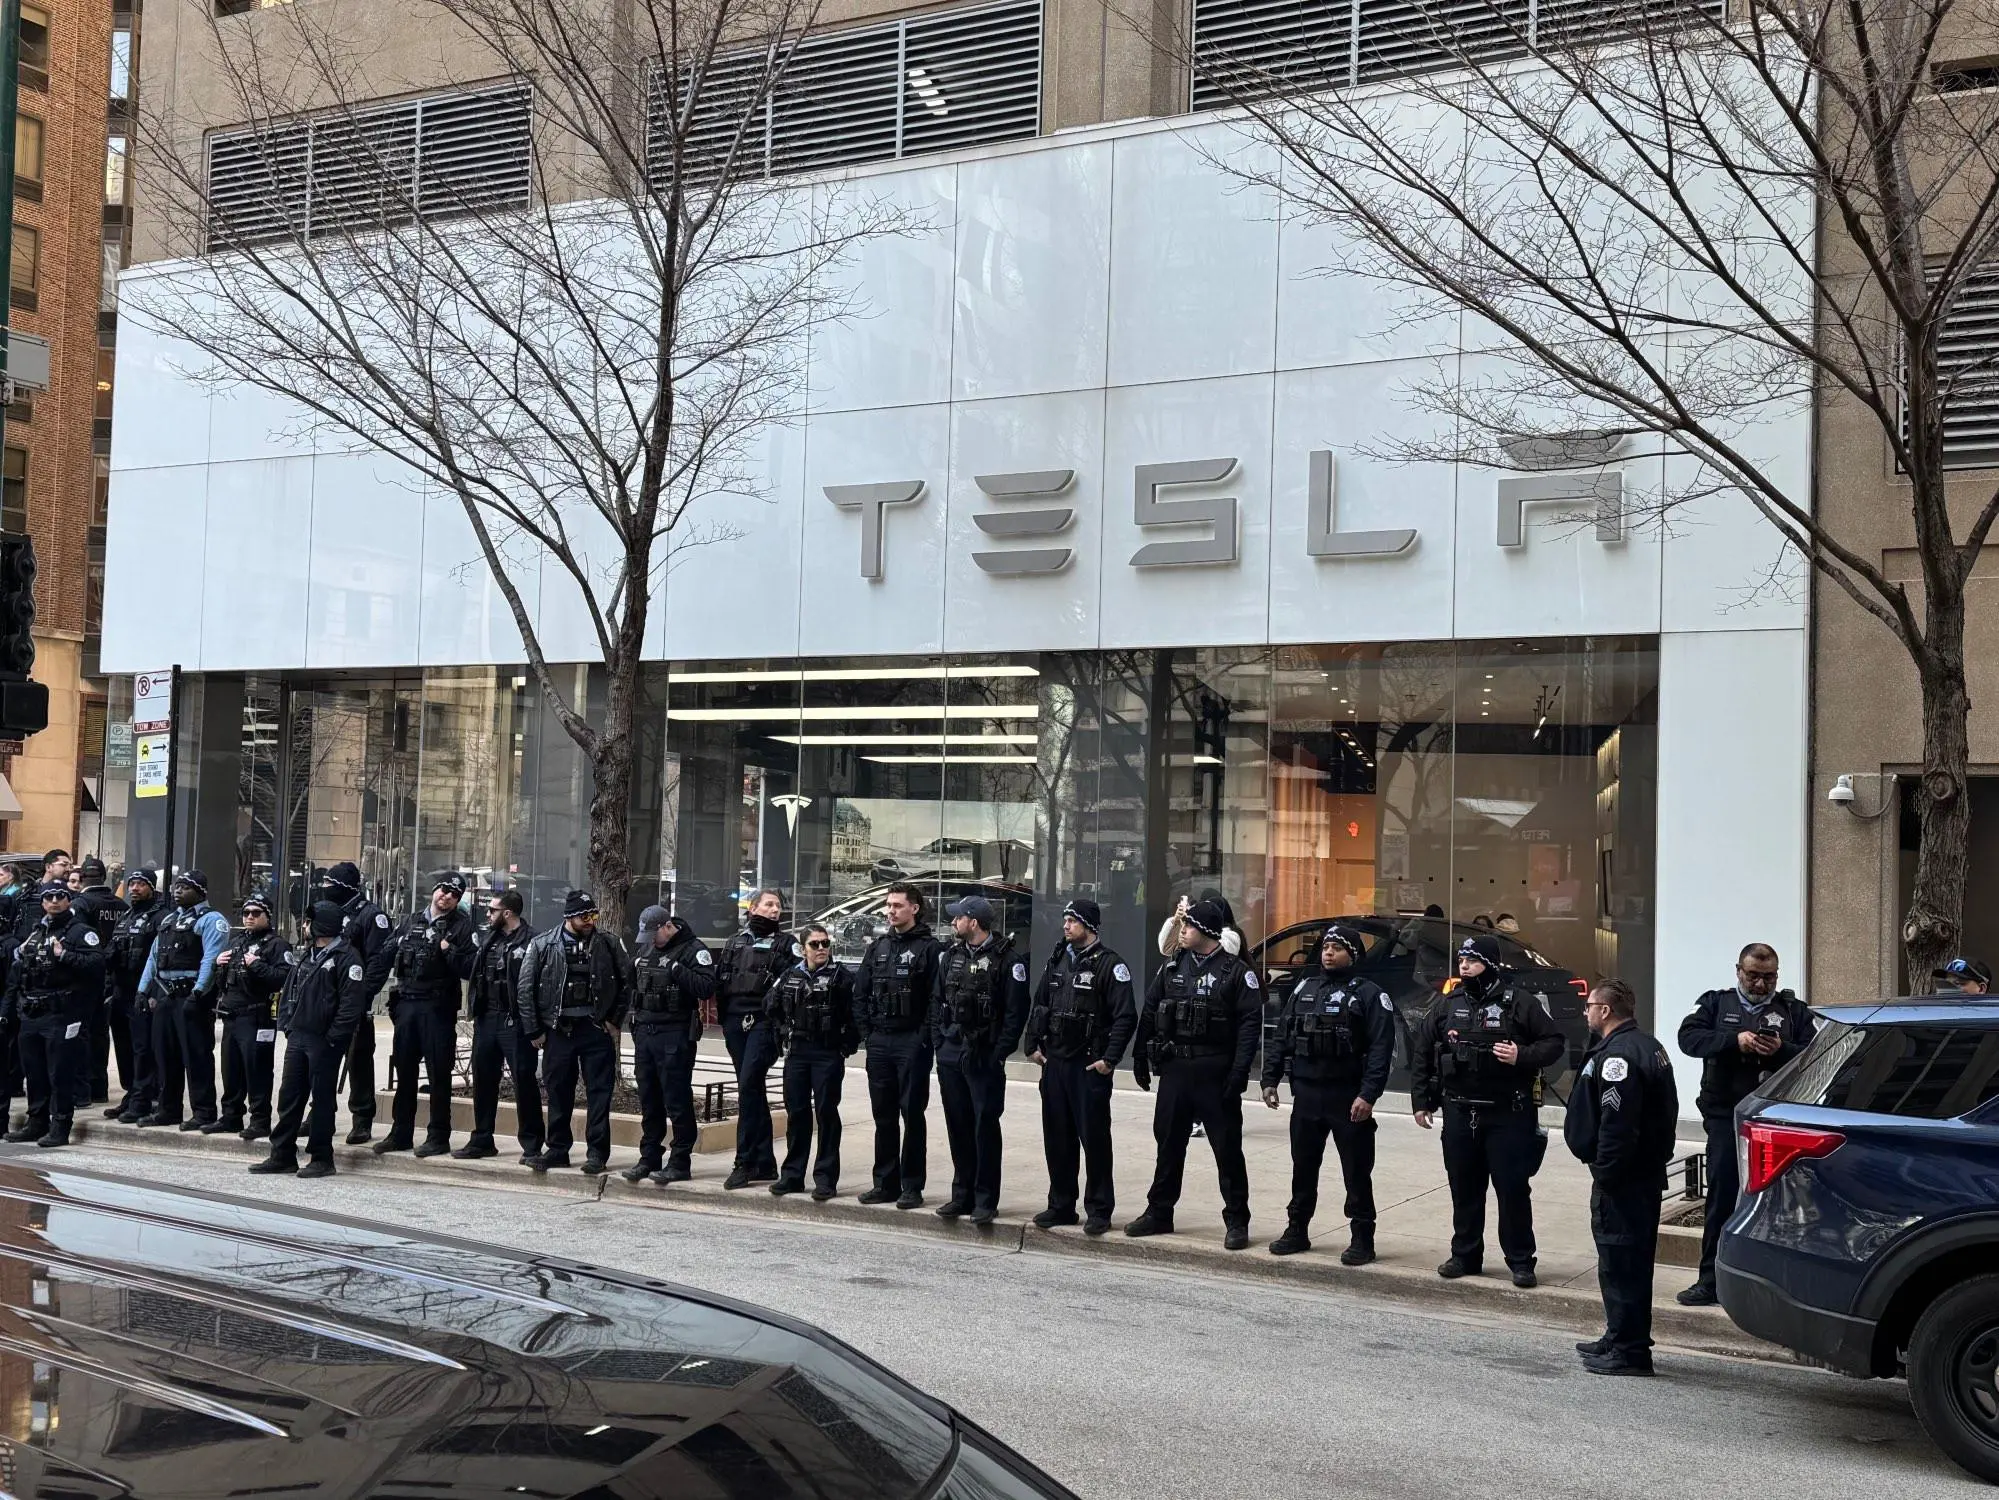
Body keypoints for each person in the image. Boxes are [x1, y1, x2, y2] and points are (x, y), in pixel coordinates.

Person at [1410, 933, 1566, 1286]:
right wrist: (1422, 1100)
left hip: (1507, 1113)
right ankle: (1465, 1255)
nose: (1464, 966)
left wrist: (1521, 1055)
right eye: (1462, 960)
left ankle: (1521, 1261)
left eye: (1472, 960)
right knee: (1464, 1189)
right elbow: (1424, 1049)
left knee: (1512, 1190)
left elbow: (1554, 1042)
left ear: (1491, 964)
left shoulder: (1518, 1003)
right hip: (1460, 1111)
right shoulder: (1449, 1004)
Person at [1675, 942, 1814, 1306]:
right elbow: (1688, 1039)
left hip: (1777, 1121)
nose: (1760, 984)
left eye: (1768, 977)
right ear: (1738, 971)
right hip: (1726, 1119)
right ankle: (1710, 1280)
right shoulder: (1715, 1004)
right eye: (1753, 976)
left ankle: (1773, 1286)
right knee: (1722, 1197)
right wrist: (1734, 1041)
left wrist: (1781, 1050)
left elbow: (1817, 1054)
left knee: (1779, 1204)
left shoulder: (1792, 1010)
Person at [1127, 898, 1262, 1249]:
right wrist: (1140, 1055)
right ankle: (1159, 1211)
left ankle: (1236, 1220)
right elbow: (1151, 1008)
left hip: (1215, 1071)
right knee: (1168, 1144)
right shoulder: (1173, 966)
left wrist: (1239, 1073)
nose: (1181, 931)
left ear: (1205, 931)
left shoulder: (1235, 972)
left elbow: (1250, 1026)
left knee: (1227, 1149)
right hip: (1176, 1069)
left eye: (1187, 926)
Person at [1261, 925, 1396, 1262]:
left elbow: (1381, 1049)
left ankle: (1362, 1236)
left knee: (1356, 1170)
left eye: (1337, 947)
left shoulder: (1369, 994)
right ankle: (1297, 1228)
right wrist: (1270, 1078)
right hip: (1306, 1094)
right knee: (1303, 1167)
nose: (1328, 952)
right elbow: (1283, 1035)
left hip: (1348, 1097)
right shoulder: (1305, 988)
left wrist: (1368, 1094)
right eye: (1325, 947)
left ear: (1353, 953)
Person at [1567, 978, 1679, 1375]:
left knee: (1623, 1262)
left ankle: (1630, 1351)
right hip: (1637, 1176)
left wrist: (1607, 1172)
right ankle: (1618, 1335)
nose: (1586, 1011)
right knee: (1620, 1262)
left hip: (1626, 1180)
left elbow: (1618, 1124)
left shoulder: (1620, 1057)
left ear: (1605, 1011)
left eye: (1590, 1005)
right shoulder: (1645, 1045)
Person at [1026, 898, 1137, 1236]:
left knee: (1095, 1140)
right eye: (1065, 920)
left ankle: (1099, 1209)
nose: (1066, 926)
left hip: (1088, 1066)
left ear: (1089, 925)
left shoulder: (1109, 965)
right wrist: (1031, 1044)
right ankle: (1061, 1205)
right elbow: (1040, 1002)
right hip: (1056, 1063)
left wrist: (1110, 1059)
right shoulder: (1057, 960)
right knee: (1057, 1139)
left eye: (1072, 921)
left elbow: (1125, 1017)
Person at [251, 901, 373, 1179]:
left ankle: (321, 1157)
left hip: (324, 1041)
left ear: (322, 925)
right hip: (299, 1036)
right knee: (289, 1097)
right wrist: (288, 1026)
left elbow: (350, 1007)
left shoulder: (347, 958)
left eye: (309, 922)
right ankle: (281, 1155)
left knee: (321, 1102)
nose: (304, 926)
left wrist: (333, 1039)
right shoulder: (308, 955)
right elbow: (289, 990)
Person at [931, 895, 1031, 1226]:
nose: (953, 922)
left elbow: (1016, 1014)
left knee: (983, 1127)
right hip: (951, 1053)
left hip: (984, 1056)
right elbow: (936, 1002)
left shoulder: (1007, 960)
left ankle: (986, 1200)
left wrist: (998, 1054)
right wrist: (939, 1042)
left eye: (958, 918)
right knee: (958, 1126)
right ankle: (962, 1195)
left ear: (973, 922)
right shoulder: (951, 955)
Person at [518, 890, 632, 1175]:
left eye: (593, 914)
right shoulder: (543, 944)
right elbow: (525, 989)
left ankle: (597, 1154)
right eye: (584, 916)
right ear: (568, 917)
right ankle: (557, 1149)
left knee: (599, 1094)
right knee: (558, 1092)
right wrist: (534, 1030)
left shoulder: (608, 942)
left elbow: (627, 981)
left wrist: (615, 1020)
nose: (590, 920)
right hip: (559, 1030)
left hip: (595, 1030)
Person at [854, 882, 944, 1210]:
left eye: (897, 905)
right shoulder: (878, 947)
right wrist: (868, 1033)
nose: (891, 911)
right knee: (884, 1116)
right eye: (888, 906)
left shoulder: (930, 949)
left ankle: (911, 1186)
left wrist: (923, 1039)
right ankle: (885, 1183)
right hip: (880, 1041)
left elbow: (937, 999)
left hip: (911, 1042)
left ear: (915, 908)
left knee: (912, 1115)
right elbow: (860, 993)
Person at [377, 874, 477, 1158]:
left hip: (437, 1008)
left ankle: (438, 1136)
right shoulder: (410, 920)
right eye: (444, 890)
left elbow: (470, 967)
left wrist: (448, 950)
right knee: (405, 1072)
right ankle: (400, 1133)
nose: (446, 896)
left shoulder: (461, 926)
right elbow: (387, 953)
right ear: (435, 890)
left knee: (438, 1075)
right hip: (407, 1004)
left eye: (454, 895)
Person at [1, 883, 106, 1147]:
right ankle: (36, 1122)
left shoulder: (80, 931)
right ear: (43, 902)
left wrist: (65, 954)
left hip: (62, 1013)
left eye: (61, 896)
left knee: (59, 1073)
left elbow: (96, 964)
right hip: (32, 1012)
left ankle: (60, 1125)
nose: (55, 901)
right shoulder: (37, 931)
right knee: (34, 1072)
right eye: (49, 897)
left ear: (69, 901)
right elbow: (19, 968)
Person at [713, 888, 800, 1189]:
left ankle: (744, 1162)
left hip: (764, 1022)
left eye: (778, 905)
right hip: (735, 1023)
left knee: (749, 1082)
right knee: (751, 1089)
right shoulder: (735, 941)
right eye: (769, 904)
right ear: (753, 908)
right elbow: (722, 980)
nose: (775, 910)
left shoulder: (787, 944)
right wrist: (725, 1022)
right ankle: (765, 1163)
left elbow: (794, 983)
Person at [623, 905, 716, 1186]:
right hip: (646, 1033)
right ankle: (649, 1157)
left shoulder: (693, 949)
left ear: (667, 926)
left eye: (654, 935)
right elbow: (634, 982)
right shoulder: (647, 949)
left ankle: (679, 1161)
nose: (651, 941)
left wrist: (676, 969)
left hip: (675, 1034)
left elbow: (706, 987)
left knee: (676, 1100)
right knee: (649, 1100)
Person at [135, 870, 230, 1131]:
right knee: (165, 1055)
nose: (178, 891)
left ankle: (204, 1111)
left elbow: (211, 958)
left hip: (191, 996)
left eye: (185, 887)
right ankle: (168, 1109)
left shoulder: (211, 920)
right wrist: (143, 991)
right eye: (176, 886)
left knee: (196, 1055)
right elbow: (153, 958)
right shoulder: (168, 920)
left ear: (201, 891)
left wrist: (199, 992)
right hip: (165, 994)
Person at [770, 921, 859, 1200]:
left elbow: (855, 1014)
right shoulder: (790, 975)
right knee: (797, 1113)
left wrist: (846, 1046)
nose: (821, 949)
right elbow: (770, 1006)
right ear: (803, 948)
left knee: (826, 1114)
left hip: (827, 1053)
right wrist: (782, 1032)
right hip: (798, 1052)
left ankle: (825, 1178)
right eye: (815, 944)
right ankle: (793, 1175)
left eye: (825, 944)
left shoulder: (842, 977)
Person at [456, 888, 541, 1163]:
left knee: (524, 1081)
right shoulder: (489, 939)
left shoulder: (533, 941)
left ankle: (532, 1143)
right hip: (487, 1018)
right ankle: (481, 1139)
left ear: (507, 913)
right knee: (483, 1080)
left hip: (514, 1021)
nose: (488, 914)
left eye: (492, 910)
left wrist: (535, 1024)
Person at [319, 861, 394, 1145]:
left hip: (354, 1000)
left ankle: (362, 1120)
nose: (325, 890)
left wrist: (362, 996)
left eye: (330, 886)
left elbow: (379, 960)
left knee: (358, 1061)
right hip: (326, 997)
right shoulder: (330, 913)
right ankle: (319, 1114)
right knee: (321, 1059)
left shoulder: (371, 916)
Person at [205, 896, 290, 1139]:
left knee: (257, 1070)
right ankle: (231, 1117)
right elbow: (225, 982)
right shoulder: (237, 941)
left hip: (257, 1017)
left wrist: (257, 966)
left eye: (255, 913)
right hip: (232, 1016)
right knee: (231, 1070)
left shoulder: (277, 945)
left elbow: (283, 978)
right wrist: (217, 965)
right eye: (245, 913)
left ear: (268, 916)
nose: (249, 917)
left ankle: (260, 1120)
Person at [105, 869, 166, 1123]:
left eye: (141, 884)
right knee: (124, 1048)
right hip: (121, 991)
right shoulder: (127, 915)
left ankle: (145, 1098)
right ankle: (132, 1092)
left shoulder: (160, 917)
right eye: (132, 884)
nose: (134, 888)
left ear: (152, 887)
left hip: (143, 992)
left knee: (143, 1049)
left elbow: (158, 959)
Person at [73, 857, 124, 1109]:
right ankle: (100, 1088)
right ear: (104, 877)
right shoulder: (121, 904)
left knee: (82, 1033)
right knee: (101, 1035)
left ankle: (84, 1090)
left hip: (87, 976)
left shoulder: (80, 904)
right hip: (116, 976)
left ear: (82, 878)